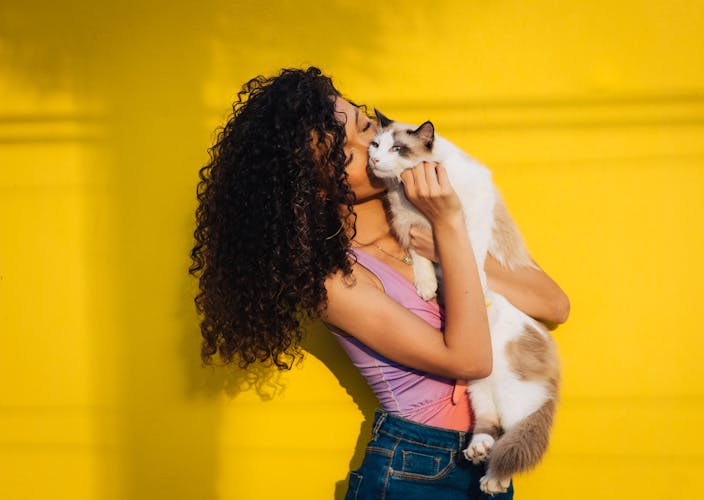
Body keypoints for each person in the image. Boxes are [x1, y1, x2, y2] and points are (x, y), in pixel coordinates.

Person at [190, 67, 569, 499]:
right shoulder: (332, 280)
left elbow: (554, 304)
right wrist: (449, 230)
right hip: (413, 469)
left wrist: (450, 232)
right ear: (313, 189)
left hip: (488, 457)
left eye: (366, 127)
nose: (369, 147)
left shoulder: (445, 208)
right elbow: (470, 361)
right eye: (342, 153)